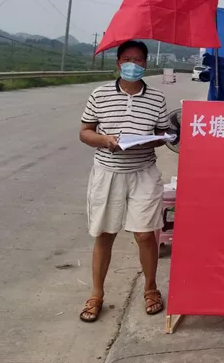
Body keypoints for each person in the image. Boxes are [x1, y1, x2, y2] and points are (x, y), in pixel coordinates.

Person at [78, 40, 169, 322]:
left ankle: (151, 289)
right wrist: (105, 140)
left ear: (145, 63)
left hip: (143, 172)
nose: (133, 64)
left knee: (145, 234)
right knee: (105, 233)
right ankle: (96, 295)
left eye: (138, 59)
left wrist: (154, 140)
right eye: (128, 59)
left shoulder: (157, 99)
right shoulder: (100, 94)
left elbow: (163, 134)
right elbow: (85, 132)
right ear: (118, 63)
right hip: (108, 172)